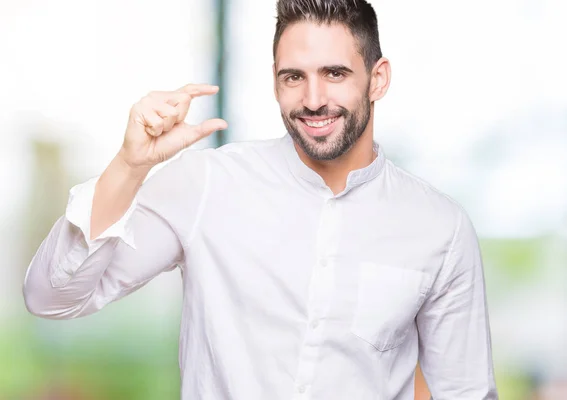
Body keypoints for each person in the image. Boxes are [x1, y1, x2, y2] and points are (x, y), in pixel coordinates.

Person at [23, 0, 498, 398]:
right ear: (275, 80)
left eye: (334, 73)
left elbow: (465, 391)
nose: (313, 99)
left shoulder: (440, 227)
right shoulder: (206, 184)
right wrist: (129, 167)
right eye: (294, 77)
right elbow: (52, 298)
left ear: (378, 79)